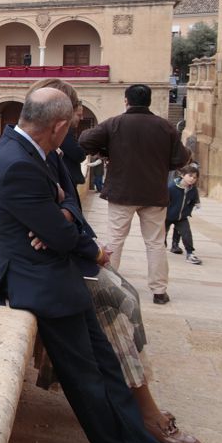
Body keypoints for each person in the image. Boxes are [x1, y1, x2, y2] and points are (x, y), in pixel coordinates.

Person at [0, 87, 180, 443]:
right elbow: (59, 235)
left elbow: (69, 206)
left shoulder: (31, 151)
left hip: (57, 277)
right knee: (90, 385)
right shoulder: (19, 163)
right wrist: (84, 242)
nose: (72, 134)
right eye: (71, 127)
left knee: (106, 374)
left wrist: (63, 215)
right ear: (57, 126)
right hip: (39, 283)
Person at [79, 84, 191, 304]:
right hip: (154, 193)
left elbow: (84, 141)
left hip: (122, 192)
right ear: (148, 101)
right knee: (156, 243)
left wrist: (106, 151)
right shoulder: (165, 127)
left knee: (115, 241)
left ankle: (110, 286)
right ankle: (159, 291)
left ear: (126, 101)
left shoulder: (115, 123)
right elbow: (181, 159)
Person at [165, 164, 202, 265]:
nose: (192, 179)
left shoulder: (193, 189)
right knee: (161, 235)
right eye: (190, 176)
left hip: (181, 217)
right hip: (166, 217)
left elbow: (193, 201)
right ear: (182, 175)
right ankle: (160, 250)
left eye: (194, 177)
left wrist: (187, 212)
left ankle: (190, 254)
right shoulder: (171, 187)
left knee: (187, 234)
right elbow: (164, 202)